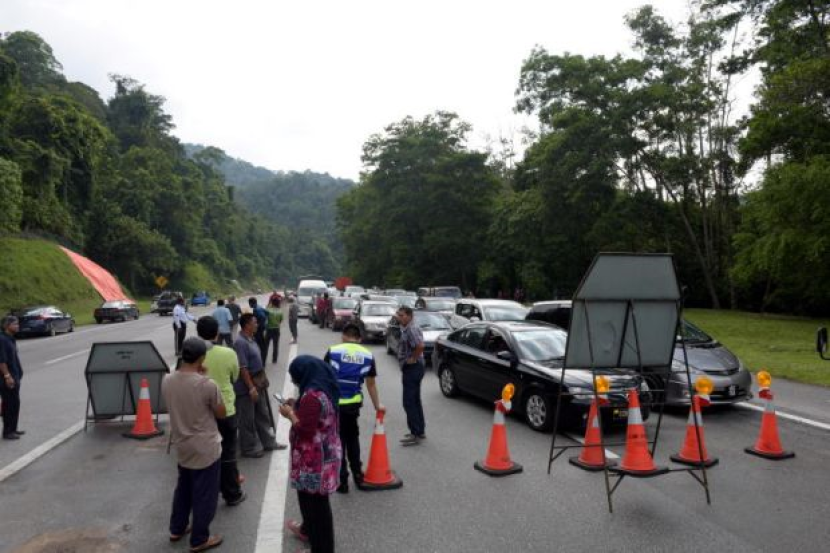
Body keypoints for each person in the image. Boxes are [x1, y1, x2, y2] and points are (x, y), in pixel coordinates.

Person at [162, 337, 225, 552]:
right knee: (205, 494)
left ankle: (177, 528)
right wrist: (204, 377)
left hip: (182, 444)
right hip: (205, 447)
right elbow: (221, 412)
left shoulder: (167, 380)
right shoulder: (207, 384)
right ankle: (199, 539)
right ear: (202, 358)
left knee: (184, 489)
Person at [280, 356, 341, 553]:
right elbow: (315, 417)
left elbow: (305, 430)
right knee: (318, 508)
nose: (294, 381)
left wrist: (290, 414)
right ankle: (319, 547)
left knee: (315, 510)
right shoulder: (323, 389)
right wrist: (297, 405)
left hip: (313, 462)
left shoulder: (312, 397)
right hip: (325, 456)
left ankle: (322, 549)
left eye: (295, 377)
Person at [324, 323, 382, 493]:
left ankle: (342, 481)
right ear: (359, 338)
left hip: (334, 404)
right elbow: (371, 384)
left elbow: (324, 377)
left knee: (337, 441)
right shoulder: (367, 355)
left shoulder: (333, 351)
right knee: (352, 438)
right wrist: (377, 406)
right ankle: (358, 474)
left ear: (343, 336)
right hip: (352, 406)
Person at [196, 316, 245, 506]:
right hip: (226, 408)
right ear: (217, 332)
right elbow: (235, 377)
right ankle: (232, 494)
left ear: (198, 333)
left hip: (200, 411)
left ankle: (207, 491)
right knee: (228, 452)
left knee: (204, 453)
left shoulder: (191, 354)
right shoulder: (228, 352)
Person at [233, 313, 286, 457]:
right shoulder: (240, 343)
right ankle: (248, 448)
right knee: (247, 419)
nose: (257, 325)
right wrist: (251, 388)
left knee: (263, 414)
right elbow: (243, 368)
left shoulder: (252, 339)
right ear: (247, 325)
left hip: (258, 383)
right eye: (255, 322)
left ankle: (269, 442)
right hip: (247, 387)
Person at [396, 307, 426, 446]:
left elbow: (420, 346)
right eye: (398, 315)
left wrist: (413, 358)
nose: (399, 317)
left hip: (413, 368)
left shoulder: (411, 329)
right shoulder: (407, 328)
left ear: (409, 316)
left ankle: (415, 433)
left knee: (408, 401)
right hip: (414, 368)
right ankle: (419, 430)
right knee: (415, 399)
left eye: (402, 315)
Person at [0, 316, 23, 440]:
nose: (17, 326)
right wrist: (7, 376)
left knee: (15, 404)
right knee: (9, 405)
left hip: (15, 376)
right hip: (7, 378)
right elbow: (1, 361)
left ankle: (13, 428)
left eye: (17, 323)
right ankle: (7, 431)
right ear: (6, 326)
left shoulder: (11, 338)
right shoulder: (2, 340)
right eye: (14, 324)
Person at [249, 297, 268, 365]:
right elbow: (267, 313)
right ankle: (262, 362)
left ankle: (261, 362)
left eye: (249, 303)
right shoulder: (259, 307)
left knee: (260, 346)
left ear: (251, 303)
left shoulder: (256, 309)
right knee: (261, 346)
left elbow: (262, 317)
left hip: (259, 331)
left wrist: (258, 325)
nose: (249, 305)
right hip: (261, 330)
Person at [264, 297, 284, 364]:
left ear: (272, 303)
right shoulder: (280, 311)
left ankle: (264, 359)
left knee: (266, 346)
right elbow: (280, 321)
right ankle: (274, 359)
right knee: (275, 345)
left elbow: (265, 317)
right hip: (276, 329)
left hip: (269, 329)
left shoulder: (268, 310)